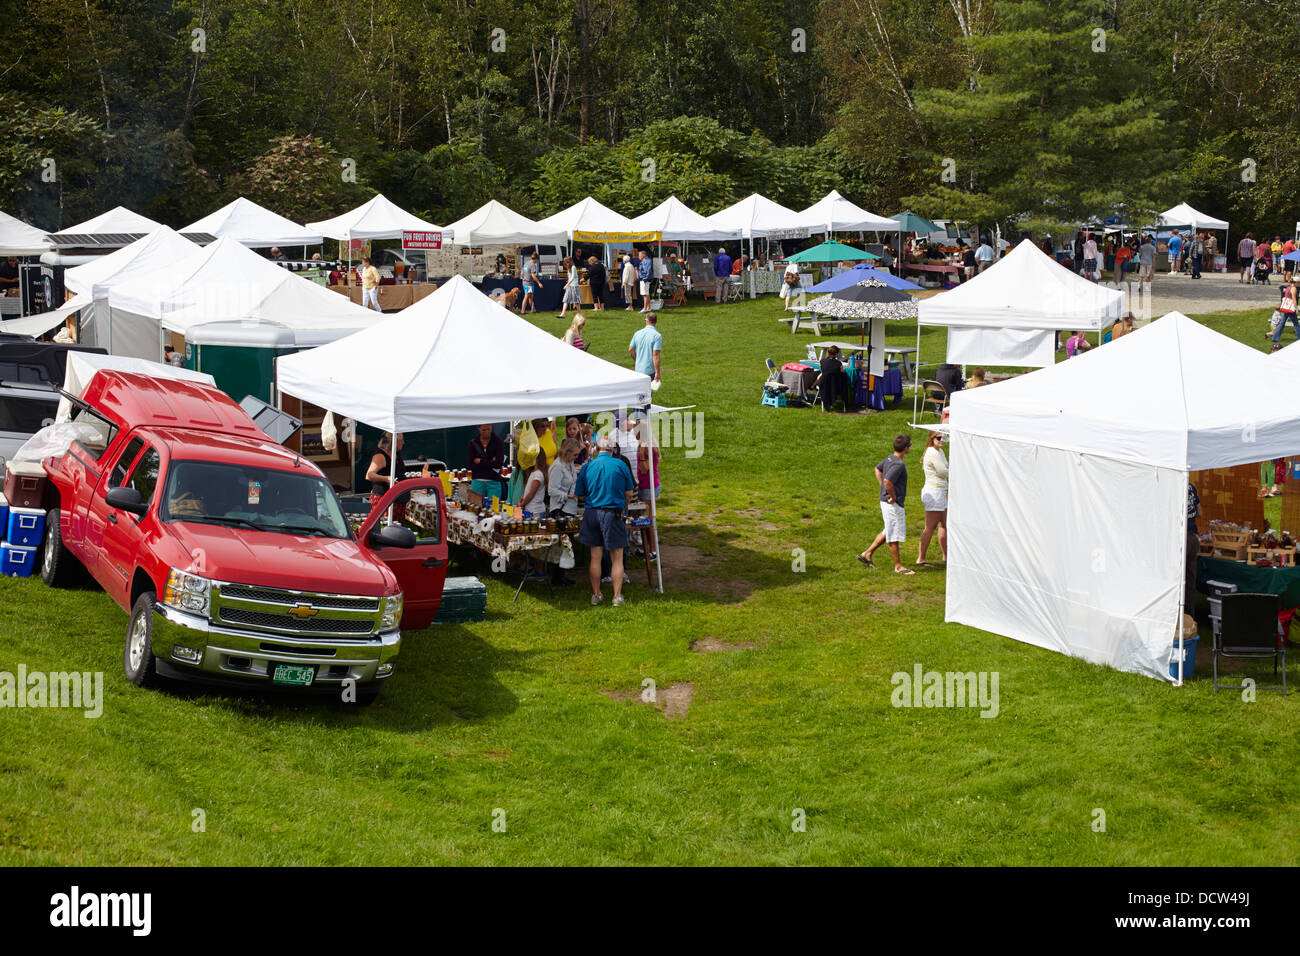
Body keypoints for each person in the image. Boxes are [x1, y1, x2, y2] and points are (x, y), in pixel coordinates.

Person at [576, 433, 637, 606]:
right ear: (612, 449)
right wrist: (624, 503)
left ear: (596, 448)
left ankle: (596, 594)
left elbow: (580, 492)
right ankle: (617, 597)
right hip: (612, 514)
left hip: (591, 513)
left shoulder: (588, 466)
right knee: (616, 557)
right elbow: (630, 493)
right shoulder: (620, 464)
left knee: (595, 557)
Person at [858, 434, 914, 574]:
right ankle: (898, 566)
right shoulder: (898, 464)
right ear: (906, 448)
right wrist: (892, 496)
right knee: (893, 534)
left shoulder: (890, 458)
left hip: (887, 501)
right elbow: (888, 481)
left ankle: (867, 554)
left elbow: (877, 469)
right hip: (892, 504)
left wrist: (883, 488)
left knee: (888, 530)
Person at [916, 432, 948, 567]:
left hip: (940, 492)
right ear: (932, 438)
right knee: (930, 527)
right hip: (934, 492)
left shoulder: (939, 451)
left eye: (945, 437)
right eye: (939, 437)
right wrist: (954, 470)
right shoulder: (932, 452)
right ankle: (921, 558)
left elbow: (945, 468)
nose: (942, 440)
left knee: (944, 524)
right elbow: (942, 471)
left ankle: (946, 556)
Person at [634, 419, 661, 561]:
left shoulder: (647, 448)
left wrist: (641, 456)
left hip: (648, 487)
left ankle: (653, 551)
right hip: (646, 485)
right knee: (643, 518)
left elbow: (645, 469)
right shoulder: (646, 445)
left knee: (648, 519)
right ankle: (645, 548)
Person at [366, 432, 404, 512]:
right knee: (384, 524)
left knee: (397, 524)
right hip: (383, 499)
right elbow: (369, 475)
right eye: (401, 440)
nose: (403, 442)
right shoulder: (380, 456)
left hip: (397, 498)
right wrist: (386, 478)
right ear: (393, 441)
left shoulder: (396, 453)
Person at [467, 423, 506, 502]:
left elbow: (498, 464)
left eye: (488, 429)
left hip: (494, 481)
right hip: (478, 481)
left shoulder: (498, 442)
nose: (487, 432)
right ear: (479, 428)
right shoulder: (473, 443)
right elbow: (470, 465)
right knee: (476, 507)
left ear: (491, 426)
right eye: (484, 430)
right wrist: (491, 461)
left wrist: (480, 461)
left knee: (494, 509)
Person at [812, 345, 851, 412]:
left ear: (828, 352)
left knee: (822, 376)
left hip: (824, 384)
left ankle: (813, 387)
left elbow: (823, 371)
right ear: (836, 354)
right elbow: (843, 372)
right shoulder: (838, 363)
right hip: (836, 385)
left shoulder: (822, 361)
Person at [628, 312, 662, 387]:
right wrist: (657, 372)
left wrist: (637, 360)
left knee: (639, 395)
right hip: (650, 371)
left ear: (646, 320)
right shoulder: (657, 336)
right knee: (647, 396)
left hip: (638, 370)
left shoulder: (637, 333)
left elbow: (630, 350)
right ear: (655, 322)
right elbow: (655, 355)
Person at [636, 248, 653, 313]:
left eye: (639, 255)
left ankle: (645, 308)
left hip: (644, 279)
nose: (638, 257)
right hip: (645, 279)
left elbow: (647, 271)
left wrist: (644, 279)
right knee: (647, 294)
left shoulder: (646, 261)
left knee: (644, 294)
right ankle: (648, 307)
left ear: (643, 255)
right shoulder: (646, 261)